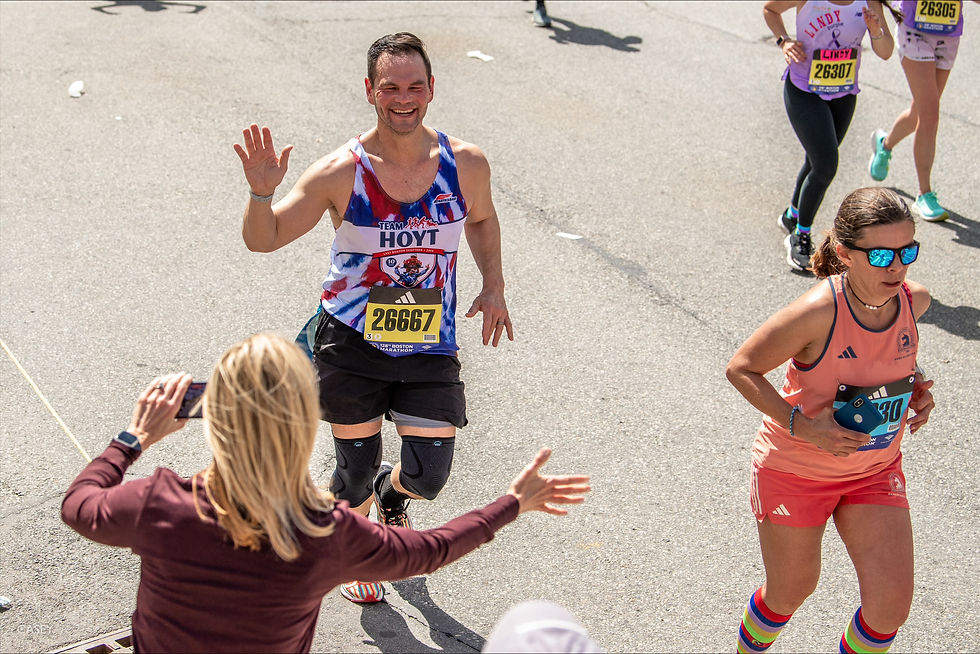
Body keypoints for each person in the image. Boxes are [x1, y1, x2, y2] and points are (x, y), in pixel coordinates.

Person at [61, 333, 590, 654]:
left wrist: (135, 439)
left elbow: (79, 506)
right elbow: (430, 550)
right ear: (301, 426)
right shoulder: (327, 532)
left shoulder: (160, 504)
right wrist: (512, 503)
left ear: (213, 421)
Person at [234, 32, 514, 603]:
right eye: (390, 87)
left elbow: (482, 221)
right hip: (352, 342)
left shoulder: (465, 165)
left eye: (415, 86)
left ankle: (394, 498)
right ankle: (360, 548)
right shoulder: (341, 171)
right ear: (370, 91)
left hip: (428, 341)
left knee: (431, 474)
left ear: (432, 89)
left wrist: (495, 284)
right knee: (351, 471)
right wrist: (262, 196)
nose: (403, 98)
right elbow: (265, 240)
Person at [726, 187, 936, 653]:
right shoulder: (817, 313)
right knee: (790, 591)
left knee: (889, 608)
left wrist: (916, 385)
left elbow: (888, 360)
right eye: (881, 254)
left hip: (875, 470)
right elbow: (741, 368)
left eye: (908, 251)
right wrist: (805, 427)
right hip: (795, 471)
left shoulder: (913, 302)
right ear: (845, 253)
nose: (897, 267)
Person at [763, 1, 898, 271]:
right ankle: (800, 235)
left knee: (817, 160)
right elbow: (770, 9)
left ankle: (792, 214)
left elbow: (885, 52)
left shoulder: (867, 2)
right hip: (804, 91)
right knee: (826, 164)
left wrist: (876, 30)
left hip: (844, 94)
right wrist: (783, 41)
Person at [868, 0, 973, 222]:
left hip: (949, 31)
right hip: (915, 30)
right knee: (930, 114)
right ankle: (924, 195)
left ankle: (884, 144)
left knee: (920, 111)